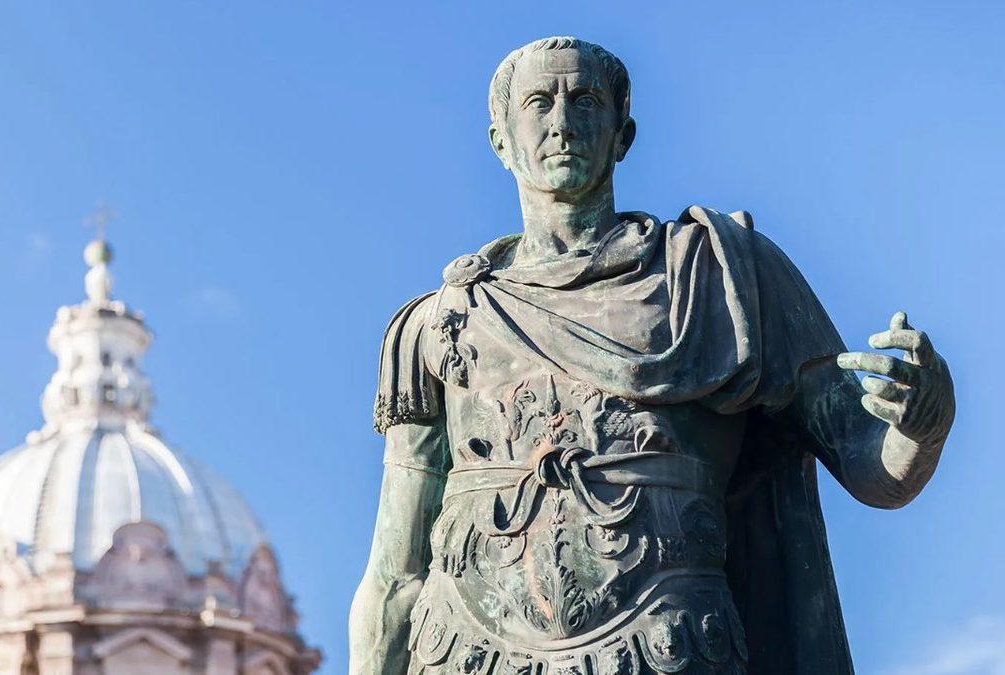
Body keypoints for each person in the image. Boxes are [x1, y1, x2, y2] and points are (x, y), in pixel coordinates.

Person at [349, 36, 955, 675]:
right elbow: (394, 575)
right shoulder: (441, 322)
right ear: (500, 140)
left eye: (586, 101)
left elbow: (875, 469)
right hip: (467, 652)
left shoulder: (719, 278)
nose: (562, 123)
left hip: (669, 647)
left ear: (623, 135)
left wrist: (923, 424)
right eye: (539, 102)